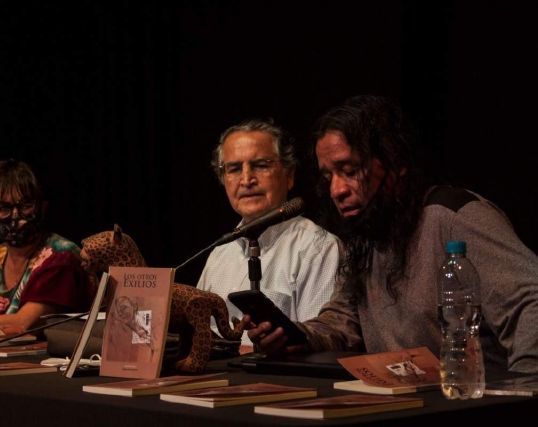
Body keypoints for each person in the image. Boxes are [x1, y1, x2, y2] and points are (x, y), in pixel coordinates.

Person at [244, 95, 538, 373]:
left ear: (396, 163)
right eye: (328, 176)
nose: (337, 190)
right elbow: (343, 322)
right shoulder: (368, 235)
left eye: (350, 170)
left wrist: (524, 392)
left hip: (467, 402)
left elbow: (529, 304)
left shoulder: (455, 217)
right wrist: (293, 335)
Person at [197, 118, 343, 349]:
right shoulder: (219, 254)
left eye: (261, 165)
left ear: (289, 175)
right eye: (234, 169)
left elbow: (318, 344)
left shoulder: (318, 248)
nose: (247, 180)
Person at [0, 159, 96, 337]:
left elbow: (21, 324)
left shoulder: (61, 257)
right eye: (4, 208)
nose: (16, 215)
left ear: (42, 208)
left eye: (25, 205)